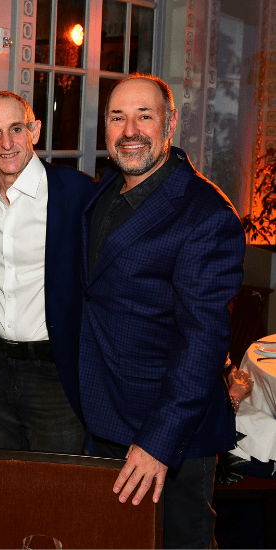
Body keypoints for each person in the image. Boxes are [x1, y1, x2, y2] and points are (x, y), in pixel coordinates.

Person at [81, 74, 245, 550]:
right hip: (105, 420)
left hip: (169, 437)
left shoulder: (206, 215)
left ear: (170, 123)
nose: (130, 129)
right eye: (117, 117)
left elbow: (203, 346)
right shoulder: (106, 190)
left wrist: (158, 441)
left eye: (144, 116)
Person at [0, 91, 93, 453]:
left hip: (54, 373)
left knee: (56, 491)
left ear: (34, 129)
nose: (6, 143)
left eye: (16, 129)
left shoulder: (75, 193)